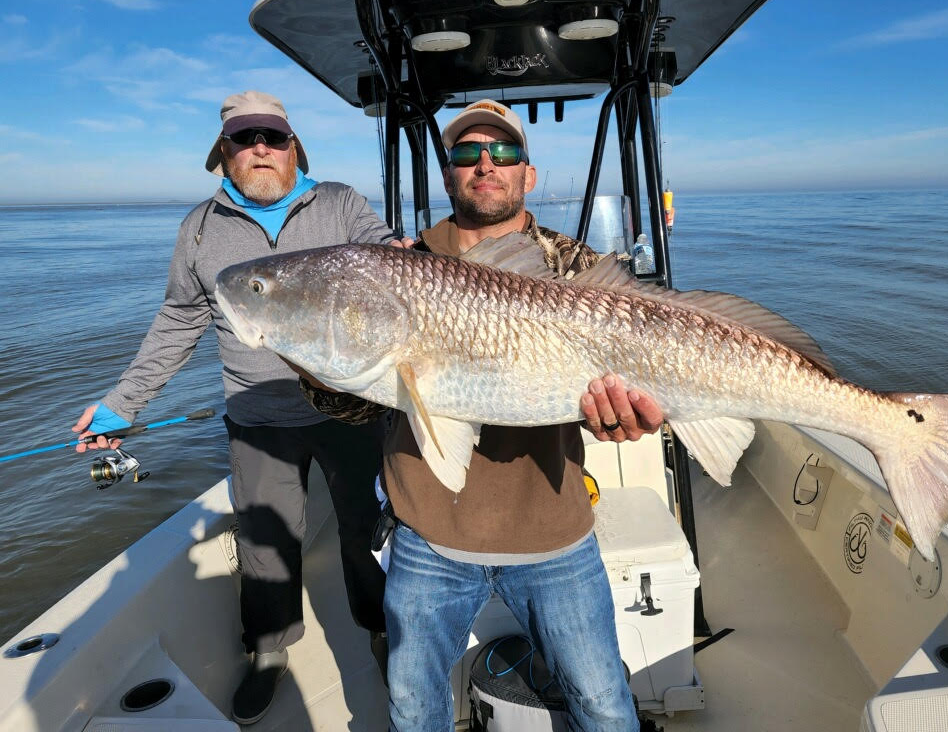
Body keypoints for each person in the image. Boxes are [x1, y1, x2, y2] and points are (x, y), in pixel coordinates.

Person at [301, 99, 666, 731]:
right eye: (467, 153)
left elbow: (620, 387)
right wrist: (314, 359)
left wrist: (618, 419)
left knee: (606, 708)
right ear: (448, 175)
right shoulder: (403, 264)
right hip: (429, 534)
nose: (485, 163)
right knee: (414, 710)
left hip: (555, 532)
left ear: (528, 173)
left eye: (503, 152)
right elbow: (350, 405)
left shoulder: (572, 268)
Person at [71, 90, 406, 726]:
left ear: (293, 148)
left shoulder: (338, 203)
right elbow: (177, 320)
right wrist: (121, 403)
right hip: (258, 417)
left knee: (368, 529)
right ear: (222, 154)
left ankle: (381, 629)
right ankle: (270, 650)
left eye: (272, 138)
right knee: (263, 544)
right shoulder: (199, 227)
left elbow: (390, 260)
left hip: (352, 408)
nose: (260, 148)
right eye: (244, 138)